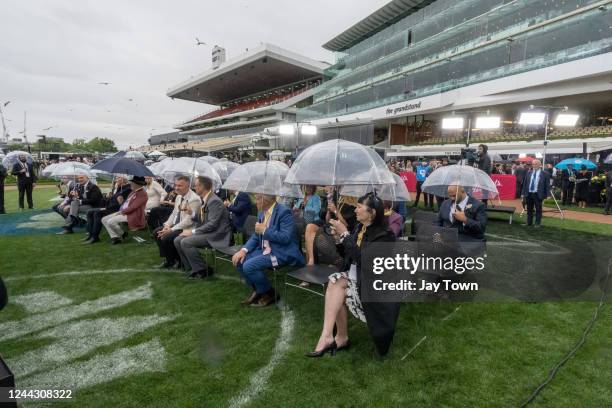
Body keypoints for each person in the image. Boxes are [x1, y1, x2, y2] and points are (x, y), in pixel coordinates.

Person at [307, 193, 399, 357]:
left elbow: (364, 260)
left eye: (359, 207)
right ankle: (334, 336)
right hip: (356, 278)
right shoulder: (360, 228)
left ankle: (334, 337)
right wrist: (338, 239)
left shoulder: (385, 236)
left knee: (335, 285)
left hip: (373, 287)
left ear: (372, 213)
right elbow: (348, 255)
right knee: (334, 284)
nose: (355, 210)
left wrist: (345, 235)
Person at [232, 193, 305, 307]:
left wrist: (265, 230)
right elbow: (256, 236)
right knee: (239, 260)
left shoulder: (284, 212)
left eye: (257, 199)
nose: (255, 202)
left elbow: (286, 238)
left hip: (281, 252)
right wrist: (244, 250)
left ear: (265, 200)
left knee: (249, 266)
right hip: (265, 250)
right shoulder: (262, 212)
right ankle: (258, 290)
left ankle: (270, 294)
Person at [175, 176, 231, 279]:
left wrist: (192, 231)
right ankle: (192, 268)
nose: (194, 187)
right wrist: (191, 213)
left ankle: (202, 270)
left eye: (196, 185)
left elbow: (212, 224)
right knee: (178, 239)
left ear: (202, 187)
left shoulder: (214, 201)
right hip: (209, 231)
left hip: (217, 235)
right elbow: (204, 220)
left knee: (185, 242)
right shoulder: (206, 199)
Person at [153, 176, 201, 268]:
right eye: (176, 185)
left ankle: (179, 260)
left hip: (187, 228)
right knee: (157, 232)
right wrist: (167, 225)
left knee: (167, 237)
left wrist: (171, 229)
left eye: (180, 186)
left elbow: (189, 221)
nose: (176, 188)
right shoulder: (179, 197)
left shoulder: (194, 199)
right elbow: (174, 213)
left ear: (188, 186)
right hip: (176, 225)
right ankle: (169, 260)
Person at [82, 176, 131, 244]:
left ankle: (95, 236)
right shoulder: (117, 188)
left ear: (124, 179)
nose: (116, 180)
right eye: (116, 178)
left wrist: (119, 200)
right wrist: (107, 196)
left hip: (116, 209)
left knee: (97, 213)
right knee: (90, 212)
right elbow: (107, 201)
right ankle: (91, 234)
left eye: (118, 178)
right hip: (108, 207)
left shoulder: (128, 189)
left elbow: (125, 203)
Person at [101, 176, 148, 244]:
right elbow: (127, 203)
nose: (130, 184)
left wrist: (121, 212)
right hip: (125, 212)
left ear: (137, 184)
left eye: (132, 182)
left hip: (133, 214)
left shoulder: (142, 194)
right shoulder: (133, 192)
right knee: (104, 219)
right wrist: (121, 201)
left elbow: (133, 207)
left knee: (110, 222)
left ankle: (120, 235)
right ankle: (116, 236)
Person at [521, 159, 551, 228]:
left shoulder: (545, 174)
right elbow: (525, 184)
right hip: (529, 193)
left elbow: (547, 185)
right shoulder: (529, 173)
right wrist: (523, 193)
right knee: (529, 209)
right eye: (533, 164)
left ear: (539, 165)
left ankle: (537, 223)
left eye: (536, 164)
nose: (534, 165)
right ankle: (529, 222)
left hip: (538, 194)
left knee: (538, 209)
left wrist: (548, 194)